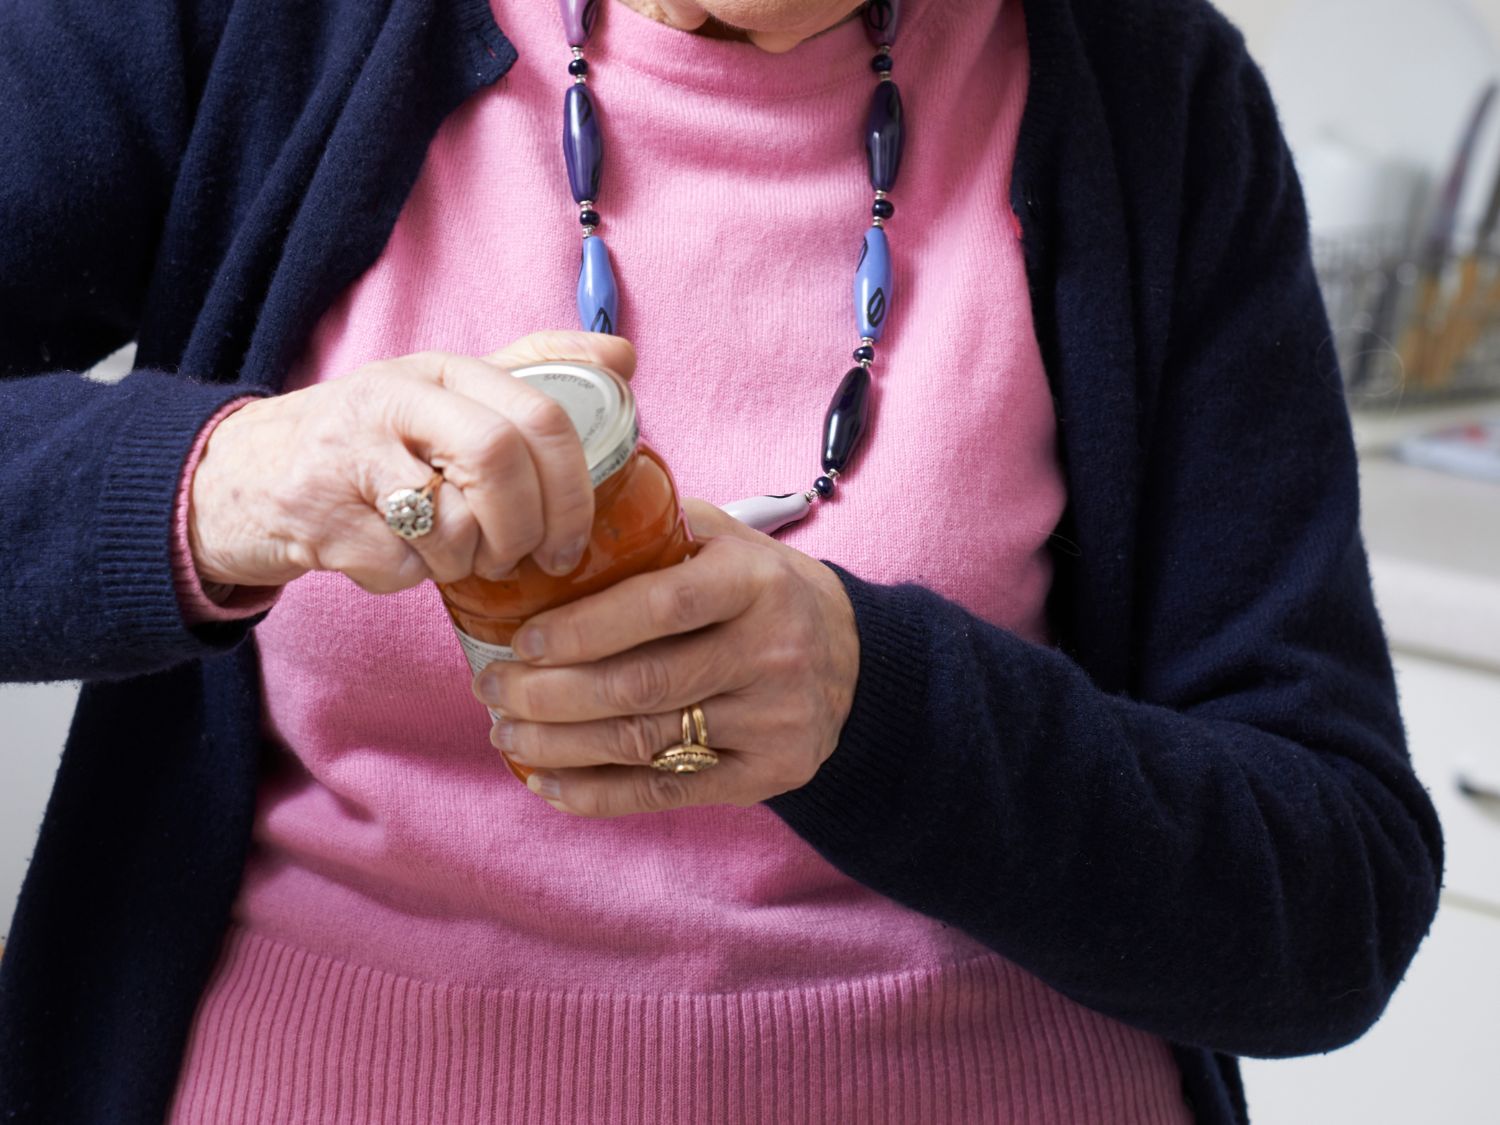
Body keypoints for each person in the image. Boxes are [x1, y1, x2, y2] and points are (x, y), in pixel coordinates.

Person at [0, 0, 1443, 1121]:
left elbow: (1328, 898)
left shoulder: (1154, 101)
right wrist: (223, 483)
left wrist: (874, 705)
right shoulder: (259, 25)